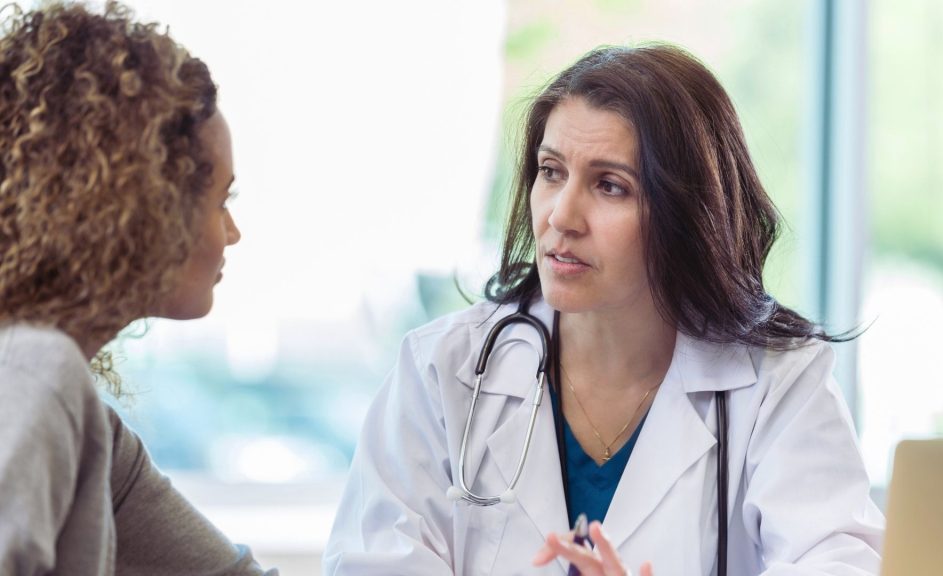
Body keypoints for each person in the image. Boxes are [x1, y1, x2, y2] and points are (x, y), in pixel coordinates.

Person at [324, 44, 884, 575]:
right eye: (551, 172)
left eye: (610, 186)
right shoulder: (442, 371)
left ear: (687, 213)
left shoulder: (777, 386)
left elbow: (836, 560)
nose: (561, 216)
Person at [0, 3, 274, 574]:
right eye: (221, 200)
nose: (232, 232)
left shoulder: (92, 434)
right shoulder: (33, 373)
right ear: (142, 204)